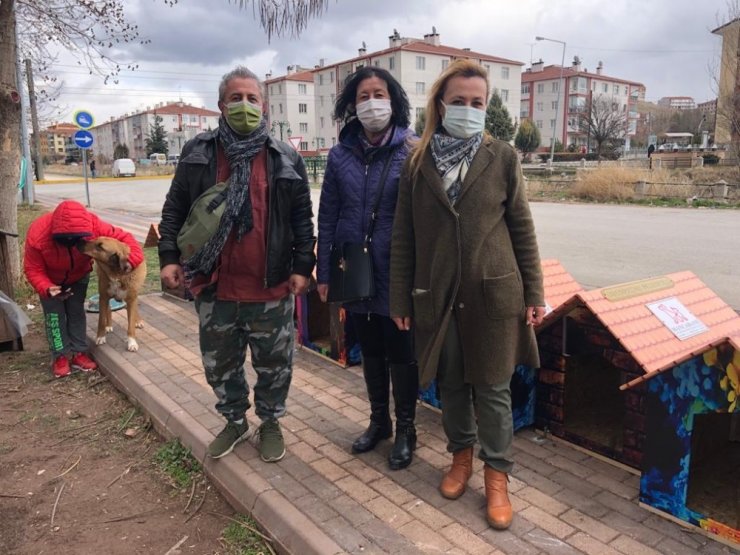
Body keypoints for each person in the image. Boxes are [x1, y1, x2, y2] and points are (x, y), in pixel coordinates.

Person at [389, 59, 545, 530]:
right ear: (441, 104)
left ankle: (496, 477)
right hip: (436, 295)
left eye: (477, 102)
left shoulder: (502, 158)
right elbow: (403, 238)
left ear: (487, 106)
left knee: (494, 389)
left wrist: (534, 291)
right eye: (459, 102)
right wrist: (400, 299)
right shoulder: (416, 165)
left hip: (493, 293)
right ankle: (461, 458)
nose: (469, 109)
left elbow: (522, 228)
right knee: (452, 384)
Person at [158, 66, 315, 463]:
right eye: (235, 98)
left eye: (252, 98)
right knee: (221, 364)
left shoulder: (284, 156)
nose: (244, 105)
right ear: (220, 106)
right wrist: (169, 259)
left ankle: (270, 422)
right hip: (215, 286)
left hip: (271, 285)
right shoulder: (199, 153)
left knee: (274, 364)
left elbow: (301, 219)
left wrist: (302, 265)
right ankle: (233, 421)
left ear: (264, 107)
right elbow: (175, 210)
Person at [317, 67, 418, 470]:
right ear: (352, 105)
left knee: (402, 353)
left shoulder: (412, 150)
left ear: (393, 100)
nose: (371, 102)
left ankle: (408, 429)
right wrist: (324, 272)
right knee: (370, 352)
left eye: (379, 93)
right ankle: (380, 422)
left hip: (396, 272)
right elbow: (327, 215)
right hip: (353, 270)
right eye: (363, 96)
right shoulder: (340, 155)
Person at [23, 200, 144, 378]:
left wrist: (130, 261)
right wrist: (47, 287)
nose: (74, 245)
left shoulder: (94, 225)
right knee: (55, 316)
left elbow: (127, 240)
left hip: (78, 276)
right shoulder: (38, 234)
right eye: (66, 241)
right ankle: (60, 357)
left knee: (76, 312)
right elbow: (33, 268)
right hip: (49, 280)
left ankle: (79, 353)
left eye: (78, 240)